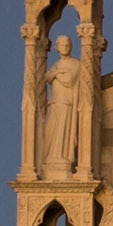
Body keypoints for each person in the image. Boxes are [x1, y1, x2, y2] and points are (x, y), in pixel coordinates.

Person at [43, 35, 81, 174]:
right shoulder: (56, 64)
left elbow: (68, 81)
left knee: (63, 130)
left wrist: (56, 74)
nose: (65, 47)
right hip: (54, 102)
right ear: (56, 47)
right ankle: (51, 157)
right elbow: (46, 76)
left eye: (67, 45)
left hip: (66, 103)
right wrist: (58, 73)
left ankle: (62, 156)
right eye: (62, 45)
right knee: (50, 131)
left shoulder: (76, 64)